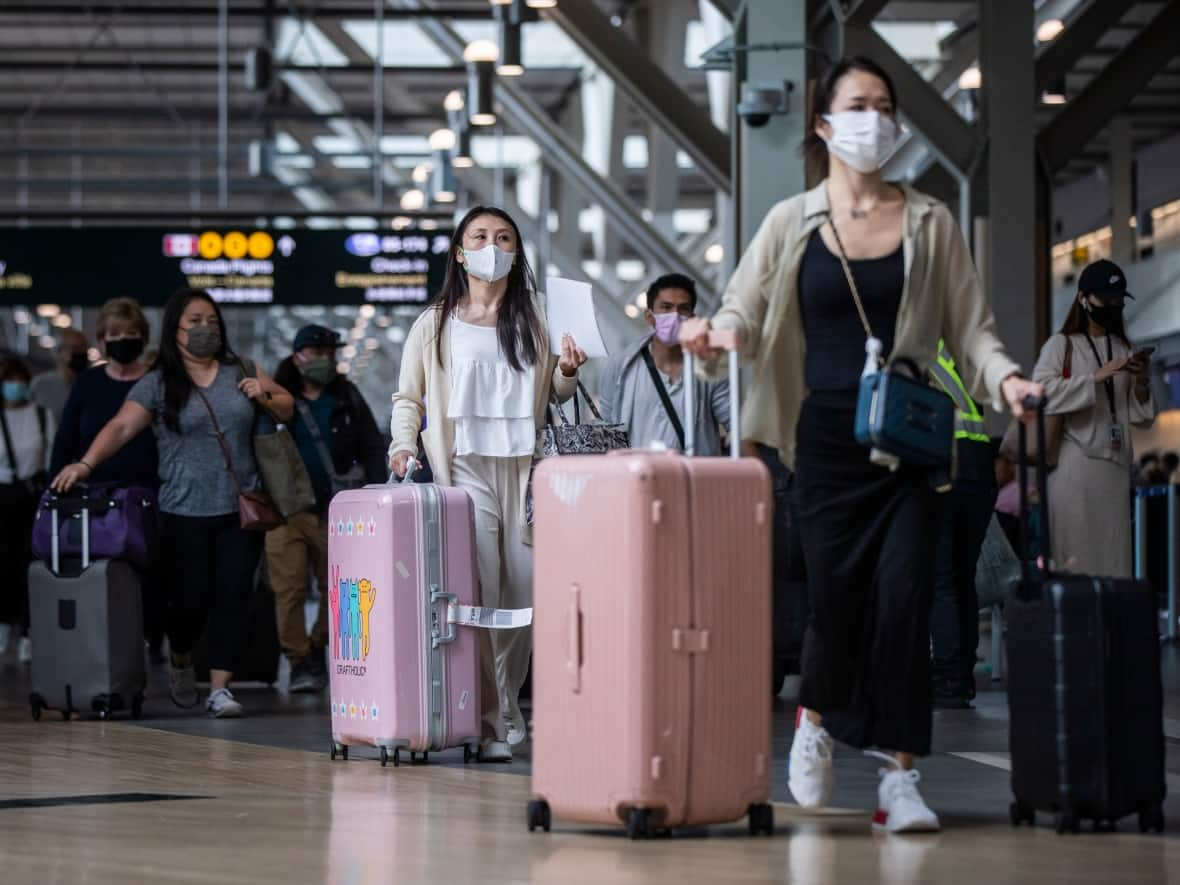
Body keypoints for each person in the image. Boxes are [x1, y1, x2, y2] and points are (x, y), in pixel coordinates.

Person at [680, 56, 1042, 833]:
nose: (872, 118)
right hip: (824, 438)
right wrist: (719, 332)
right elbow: (742, 303)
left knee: (906, 597)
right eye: (856, 104)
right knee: (836, 599)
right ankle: (815, 720)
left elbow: (972, 326)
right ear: (822, 123)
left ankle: (900, 776)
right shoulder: (792, 221)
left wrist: (1006, 380)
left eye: (884, 105)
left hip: (906, 434)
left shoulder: (930, 223)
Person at [388, 206, 586, 762]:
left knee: (523, 599)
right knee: (481, 594)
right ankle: (492, 718)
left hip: (528, 471)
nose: (491, 246)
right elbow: (410, 397)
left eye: (503, 238)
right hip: (465, 470)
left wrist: (569, 370)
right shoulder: (435, 322)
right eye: (479, 236)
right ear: (459, 251)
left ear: (517, 252)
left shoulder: (541, 315)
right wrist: (403, 443)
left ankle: (504, 702)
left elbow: (560, 397)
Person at [51, 288, 294, 718]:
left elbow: (287, 407)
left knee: (234, 593)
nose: (205, 329)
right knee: (189, 602)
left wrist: (264, 395)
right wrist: (85, 464)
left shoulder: (241, 368)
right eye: (194, 322)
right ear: (174, 330)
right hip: (182, 510)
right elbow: (123, 426)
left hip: (240, 507)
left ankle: (221, 688)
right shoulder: (159, 382)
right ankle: (182, 656)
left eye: (211, 322)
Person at [270, 324, 386, 693]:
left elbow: (370, 443)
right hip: (286, 510)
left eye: (329, 353)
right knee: (288, 589)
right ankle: (299, 658)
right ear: (297, 355)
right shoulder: (279, 398)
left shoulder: (346, 396)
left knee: (335, 587)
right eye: (315, 352)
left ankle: (320, 646)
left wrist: (376, 493)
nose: (323, 359)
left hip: (337, 512)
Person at [50, 298, 163, 658]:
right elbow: (66, 439)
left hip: (149, 496)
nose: (123, 339)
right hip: (94, 501)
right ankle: (102, 642)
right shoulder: (88, 384)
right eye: (115, 333)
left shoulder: (156, 383)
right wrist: (57, 487)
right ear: (102, 338)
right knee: (100, 573)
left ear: (144, 338)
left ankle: (153, 640)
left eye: (131, 333)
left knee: (151, 575)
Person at [1031, 259, 1155, 577]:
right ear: (1083, 298)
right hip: (1075, 464)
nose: (1113, 306)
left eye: (1118, 300)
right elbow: (1040, 392)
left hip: (1115, 468)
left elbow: (1140, 417)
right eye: (1105, 299)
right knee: (1076, 560)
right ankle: (1074, 625)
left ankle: (1111, 626)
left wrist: (1141, 382)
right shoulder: (1062, 345)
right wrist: (1093, 379)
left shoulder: (1123, 346)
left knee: (1114, 560)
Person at [928, 342, 997, 709]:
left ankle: (947, 676)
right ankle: (962, 676)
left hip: (942, 464)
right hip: (978, 468)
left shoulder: (919, 344)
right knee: (961, 577)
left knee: (941, 580)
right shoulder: (965, 349)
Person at [598, 273, 729, 454]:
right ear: (650, 316)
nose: (675, 316)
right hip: (637, 476)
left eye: (683, 309)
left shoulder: (708, 369)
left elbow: (735, 424)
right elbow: (605, 429)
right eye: (666, 307)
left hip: (694, 478)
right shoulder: (621, 367)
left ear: (692, 317)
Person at [0, 358, 55, 663]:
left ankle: (27, 632)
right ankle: (4, 624)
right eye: (9, 380)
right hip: (2, 496)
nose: (15, 386)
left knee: (30, 563)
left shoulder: (42, 416)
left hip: (32, 497)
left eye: (19, 379)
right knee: (3, 564)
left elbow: (50, 457)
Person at [31, 328, 90, 424]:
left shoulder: (95, 384)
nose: (81, 353)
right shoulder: (41, 384)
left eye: (84, 348)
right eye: (75, 348)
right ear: (58, 352)